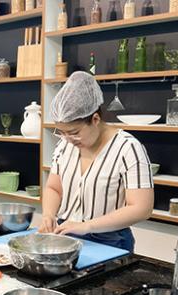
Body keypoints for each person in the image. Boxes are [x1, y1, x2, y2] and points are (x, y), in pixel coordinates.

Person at [39, 71, 154, 252]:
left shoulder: (128, 148)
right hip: (64, 235)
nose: (68, 139)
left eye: (74, 132)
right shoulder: (64, 145)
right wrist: (48, 214)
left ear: (95, 119)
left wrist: (87, 226)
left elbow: (142, 208)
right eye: (62, 132)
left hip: (110, 241)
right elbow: (54, 188)